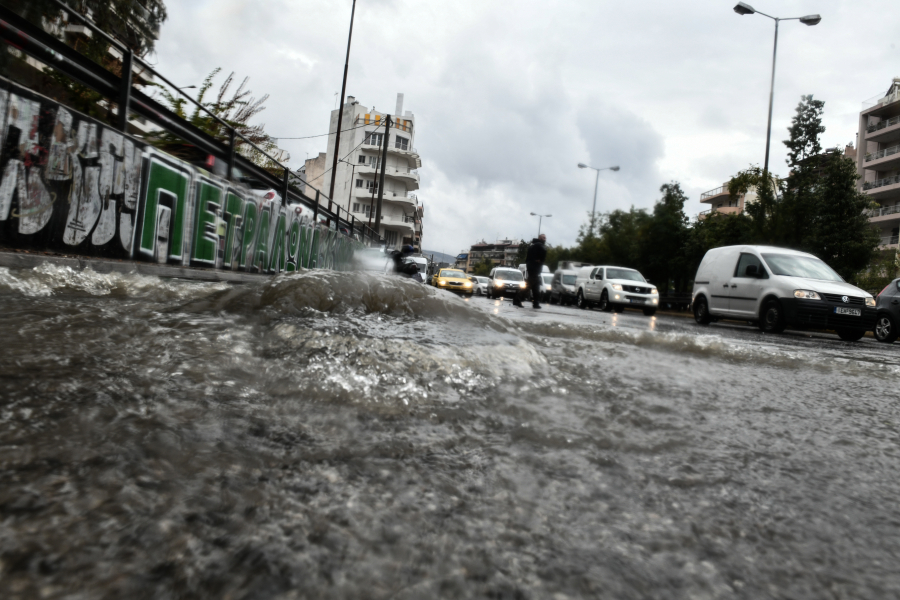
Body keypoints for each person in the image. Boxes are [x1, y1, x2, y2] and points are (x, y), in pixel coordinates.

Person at [516, 234, 547, 309]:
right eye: (543, 238)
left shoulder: (532, 245)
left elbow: (528, 258)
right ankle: (517, 299)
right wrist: (540, 260)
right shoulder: (539, 245)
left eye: (545, 238)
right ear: (539, 238)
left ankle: (536, 303)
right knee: (528, 285)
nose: (545, 239)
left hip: (532, 268)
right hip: (534, 269)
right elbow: (544, 251)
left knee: (536, 287)